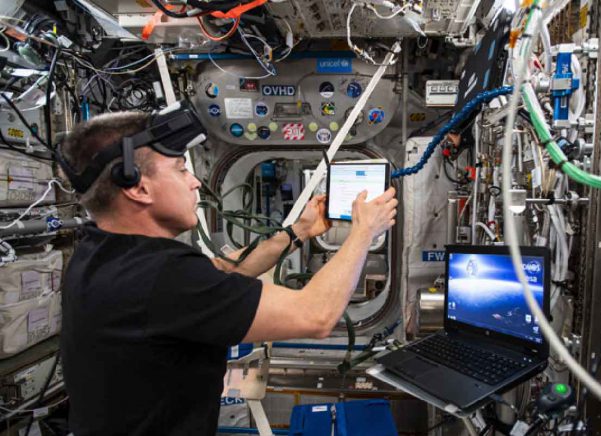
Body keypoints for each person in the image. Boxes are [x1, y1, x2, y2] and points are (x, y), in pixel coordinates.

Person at [57, 107, 398, 436]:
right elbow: (317, 315)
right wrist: (364, 231)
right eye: (179, 169)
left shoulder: (99, 253)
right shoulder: (161, 276)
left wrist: (299, 232)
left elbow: (219, 270)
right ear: (137, 187)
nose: (194, 182)